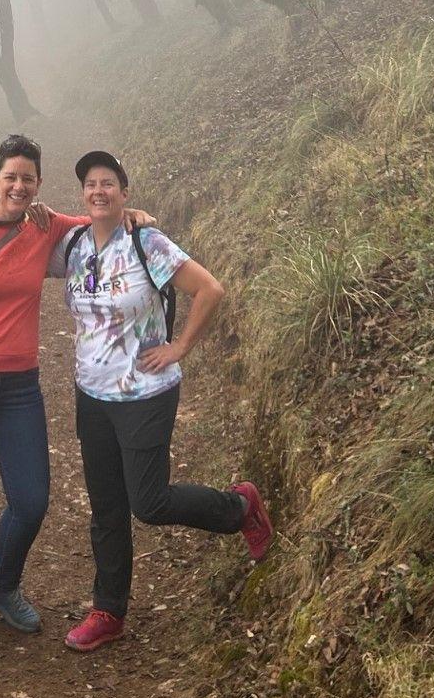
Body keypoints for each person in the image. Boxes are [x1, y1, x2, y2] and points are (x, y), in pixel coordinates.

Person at [0, 132, 149, 647]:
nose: (18, 186)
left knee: (32, 497)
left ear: (38, 184)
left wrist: (132, 217)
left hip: (19, 386)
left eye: (28, 178)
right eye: (10, 177)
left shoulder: (44, 228)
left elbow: (96, 223)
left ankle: (0, 581)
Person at [48, 149, 272, 653]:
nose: (99, 191)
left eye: (109, 183)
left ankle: (240, 508)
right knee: (106, 508)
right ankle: (109, 610)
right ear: (82, 195)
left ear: (124, 193)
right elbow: (22, 239)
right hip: (92, 397)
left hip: (144, 395)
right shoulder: (76, 246)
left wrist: (181, 347)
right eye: (90, 184)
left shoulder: (146, 241)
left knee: (148, 502)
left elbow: (209, 289)